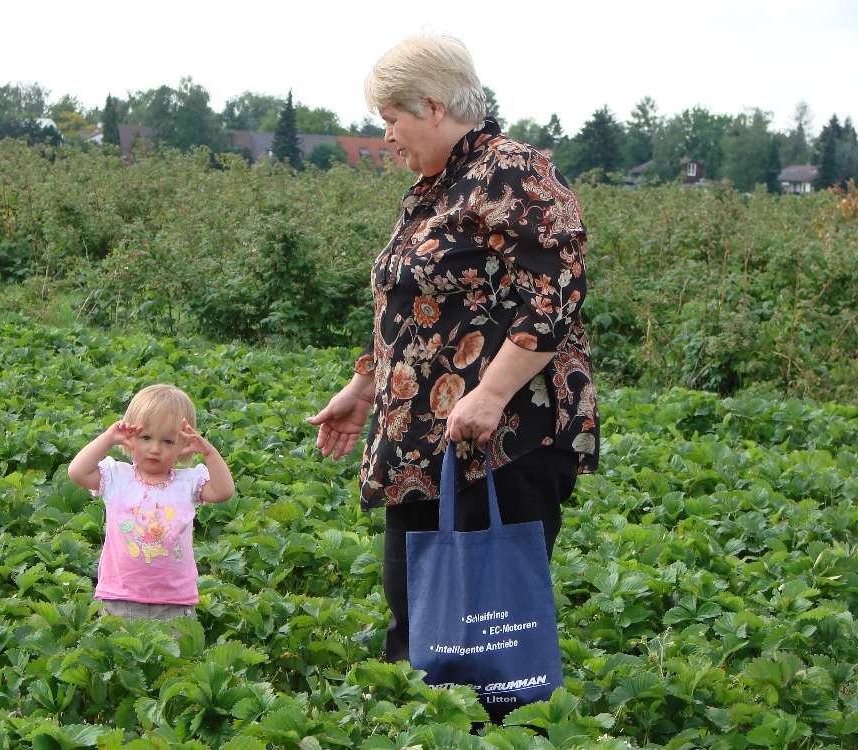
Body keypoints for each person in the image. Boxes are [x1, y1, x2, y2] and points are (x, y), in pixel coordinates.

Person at [307, 34, 600, 667]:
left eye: (392, 120)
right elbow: (419, 308)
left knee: (481, 638)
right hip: (423, 442)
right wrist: (364, 387)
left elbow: (555, 292)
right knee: (416, 624)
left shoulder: (511, 171)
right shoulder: (439, 185)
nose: (386, 136)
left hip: (499, 443)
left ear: (435, 107)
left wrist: (492, 393)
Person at [68, 383, 234, 622]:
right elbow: (77, 472)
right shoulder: (116, 476)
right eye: (146, 437)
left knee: (176, 658)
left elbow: (224, 491)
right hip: (120, 598)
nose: (155, 449)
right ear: (130, 437)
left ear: (184, 446)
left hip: (175, 602)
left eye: (168, 442)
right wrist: (108, 438)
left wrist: (209, 453)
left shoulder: (188, 482)